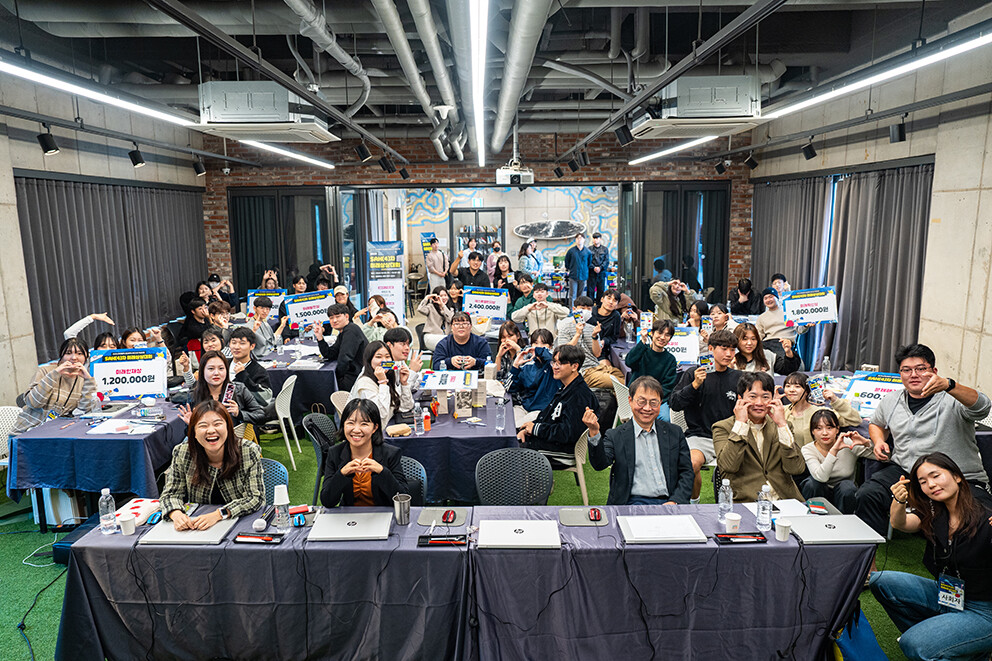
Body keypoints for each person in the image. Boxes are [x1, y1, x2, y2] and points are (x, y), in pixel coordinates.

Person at [856, 343, 992, 535]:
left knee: (978, 517)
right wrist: (879, 441)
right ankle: (872, 549)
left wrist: (950, 385)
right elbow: (876, 423)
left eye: (920, 369)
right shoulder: (891, 400)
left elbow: (983, 407)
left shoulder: (953, 399)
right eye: (906, 370)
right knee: (867, 494)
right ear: (900, 373)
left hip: (960, 476)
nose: (913, 375)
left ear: (934, 371)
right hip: (907, 471)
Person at [870, 453, 992, 661]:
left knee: (913, 644)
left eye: (936, 476)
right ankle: (958, 646)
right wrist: (899, 500)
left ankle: (957, 645)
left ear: (957, 476)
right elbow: (900, 523)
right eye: (923, 481)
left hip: (984, 610)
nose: (931, 484)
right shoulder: (936, 510)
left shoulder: (985, 512)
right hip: (949, 594)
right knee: (881, 581)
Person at [583, 376, 694, 505]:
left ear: (660, 403)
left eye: (653, 403)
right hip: (631, 503)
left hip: (669, 502)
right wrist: (594, 432)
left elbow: (687, 472)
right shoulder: (616, 435)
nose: (647, 408)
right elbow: (599, 464)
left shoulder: (674, 432)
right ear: (630, 401)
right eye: (641, 402)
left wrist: (675, 501)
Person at [159, 400, 264, 530]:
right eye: (203, 426)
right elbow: (170, 494)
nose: (211, 430)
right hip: (197, 526)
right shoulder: (183, 452)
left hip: (240, 523)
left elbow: (255, 498)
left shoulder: (248, 451)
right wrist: (176, 514)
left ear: (228, 427)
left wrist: (219, 514)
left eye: (217, 424)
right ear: (194, 432)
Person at [669, 329, 743, 502]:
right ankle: (694, 502)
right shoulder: (693, 373)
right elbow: (675, 404)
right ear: (711, 348)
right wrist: (695, 385)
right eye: (724, 348)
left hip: (731, 436)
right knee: (691, 464)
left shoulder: (739, 377)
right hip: (700, 435)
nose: (729, 354)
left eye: (732, 349)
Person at [712, 371, 806, 502]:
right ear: (740, 398)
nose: (759, 403)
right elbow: (729, 466)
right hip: (748, 501)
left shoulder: (782, 426)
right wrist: (741, 424)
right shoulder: (723, 427)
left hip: (784, 500)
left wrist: (782, 425)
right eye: (753, 396)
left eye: (765, 397)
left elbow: (796, 469)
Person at [320, 399, 409, 507]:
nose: (356, 430)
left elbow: (403, 496)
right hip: (349, 516)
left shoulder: (390, 453)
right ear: (343, 425)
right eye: (350, 423)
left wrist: (382, 471)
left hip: (382, 514)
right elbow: (327, 501)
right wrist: (342, 473)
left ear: (375, 428)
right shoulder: (335, 453)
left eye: (364, 424)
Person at [516, 344, 599, 455]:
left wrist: (536, 429)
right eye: (554, 362)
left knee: (508, 447)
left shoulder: (579, 395)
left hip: (558, 450)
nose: (555, 367)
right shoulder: (566, 387)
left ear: (574, 366)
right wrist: (528, 429)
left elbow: (568, 433)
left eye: (560, 363)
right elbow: (548, 417)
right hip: (547, 440)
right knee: (510, 436)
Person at [11, 337, 101, 435]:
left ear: (86, 357)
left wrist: (88, 380)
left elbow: (85, 410)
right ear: (61, 355)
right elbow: (34, 403)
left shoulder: (82, 379)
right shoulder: (45, 371)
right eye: (68, 353)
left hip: (55, 433)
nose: (74, 357)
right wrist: (55, 373)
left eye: (79, 354)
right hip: (27, 433)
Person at [800, 410, 873, 513]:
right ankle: (813, 517)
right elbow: (821, 477)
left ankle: (844, 520)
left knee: (847, 487)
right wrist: (834, 451)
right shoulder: (808, 449)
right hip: (820, 490)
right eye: (819, 428)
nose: (824, 433)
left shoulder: (848, 443)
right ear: (813, 431)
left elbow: (885, 456)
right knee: (812, 484)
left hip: (843, 493)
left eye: (829, 428)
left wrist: (866, 443)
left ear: (837, 429)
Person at [177, 351, 267, 427]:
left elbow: (261, 416)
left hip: (236, 437)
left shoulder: (239, 389)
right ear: (202, 371)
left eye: (221, 368)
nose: (216, 373)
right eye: (211, 369)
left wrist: (239, 414)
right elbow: (188, 433)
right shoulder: (194, 394)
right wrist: (191, 425)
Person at [554, 295, 624, 389]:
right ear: (574, 309)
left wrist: (594, 336)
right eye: (582, 308)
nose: (585, 311)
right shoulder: (565, 328)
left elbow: (597, 354)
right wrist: (577, 334)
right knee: (621, 383)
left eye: (589, 309)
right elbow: (563, 353)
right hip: (582, 371)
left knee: (623, 376)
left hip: (596, 367)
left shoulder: (592, 328)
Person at [782, 372, 862, 447]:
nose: (791, 390)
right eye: (788, 386)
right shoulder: (781, 410)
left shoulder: (819, 413)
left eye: (797, 386)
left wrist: (835, 401)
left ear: (807, 391)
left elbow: (855, 420)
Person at [348, 341, 414, 424]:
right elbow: (381, 414)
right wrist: (383, 383)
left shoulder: (388, 376)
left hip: (389, 423)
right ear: (369, 360)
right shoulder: (364, 383)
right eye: (378, 357)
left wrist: (404, 384)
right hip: (372, 429)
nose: (384, 361)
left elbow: (405, 407)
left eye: (387, 356)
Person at [624, 319, 678, 418]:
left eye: (667, 335)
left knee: (665, 418)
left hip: (657, 399)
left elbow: (668, 386)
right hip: (637, 395)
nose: (662, 337)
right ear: (652, 333)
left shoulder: (671, 360)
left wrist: (653, 400)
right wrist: (643, 342)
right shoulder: (642, 351)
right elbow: (629, 362)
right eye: (660, 333)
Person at [509, 329, 560, 426]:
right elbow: (511, 388)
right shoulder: (527, 364)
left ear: (551, 346)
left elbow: (551, 357)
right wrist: (515, 366)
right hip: (524, 407)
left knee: (518, 426)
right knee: (508, 423)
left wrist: (537, 350)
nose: (539, 346)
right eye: (535, 343)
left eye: (544, 343)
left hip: (543, 411)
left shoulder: (554, 365)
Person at [314, 303, 368, 393]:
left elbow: (345, 359)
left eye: (338, 317)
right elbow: (330, 354)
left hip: (357, 377)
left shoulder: (351, 330)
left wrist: (336, 377)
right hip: (353, 374)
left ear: (346, 316)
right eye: (331, 318)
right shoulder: (344, 331)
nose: (334, 320)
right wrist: (320, 337)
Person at [755, 287, 809, 357]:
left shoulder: (789, 312)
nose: (768, 300)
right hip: (768, 343)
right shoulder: (761, 317)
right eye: (765, 298)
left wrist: (805, 325)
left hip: (785, 342)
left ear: (777, 298)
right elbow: (759, 336)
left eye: (771, 297)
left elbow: (799, 330)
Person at [227, 327, 273, 406]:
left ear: (252, 346)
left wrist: (243, 376)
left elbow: (265, 399)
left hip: (244, 410)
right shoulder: (223, 365)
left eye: (242, 343)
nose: (237, 347)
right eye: (233, 343)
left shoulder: (258, 371)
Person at [734, 322, 801, 376]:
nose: (749, 343)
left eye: (753, 339)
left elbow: (788, 370)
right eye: (745, 339)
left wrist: (788, 351)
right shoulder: (731, 359)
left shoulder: (768, 355)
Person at [564, 233, 591, 304]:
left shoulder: (588, 252)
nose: (579, 240)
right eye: (577, 238)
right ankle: (571, 309)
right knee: (572, 294)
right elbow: (567, 262)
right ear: (575, 240)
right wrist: (571, 268)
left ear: (584, 240)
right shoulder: (571, 251)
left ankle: (579, 309)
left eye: (581, 238)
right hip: (573, 275)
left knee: (580, 295)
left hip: (583, 276)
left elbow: (589, 263)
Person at [588, 232, 610, 303]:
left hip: (601, 273)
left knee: (601, 291)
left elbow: (606, 261)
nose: (595, 240)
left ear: (600, 239)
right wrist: (593, 267)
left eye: (597, 238)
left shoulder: (605, 249)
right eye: (594, 238)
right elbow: (588, 261)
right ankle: (590, 306)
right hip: (591, 273)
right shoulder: (589, 249)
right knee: (590, 291)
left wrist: (600, 268)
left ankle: (599, 306)